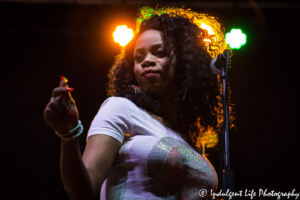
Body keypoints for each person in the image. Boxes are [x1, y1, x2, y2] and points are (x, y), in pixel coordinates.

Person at [44, 6, 229, 200]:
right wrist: (69, 135)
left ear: (184, 61)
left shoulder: (192, 140)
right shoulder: (121, 109)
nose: (147, 61)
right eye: (138, 57)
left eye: (159, 52)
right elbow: (83, 192)